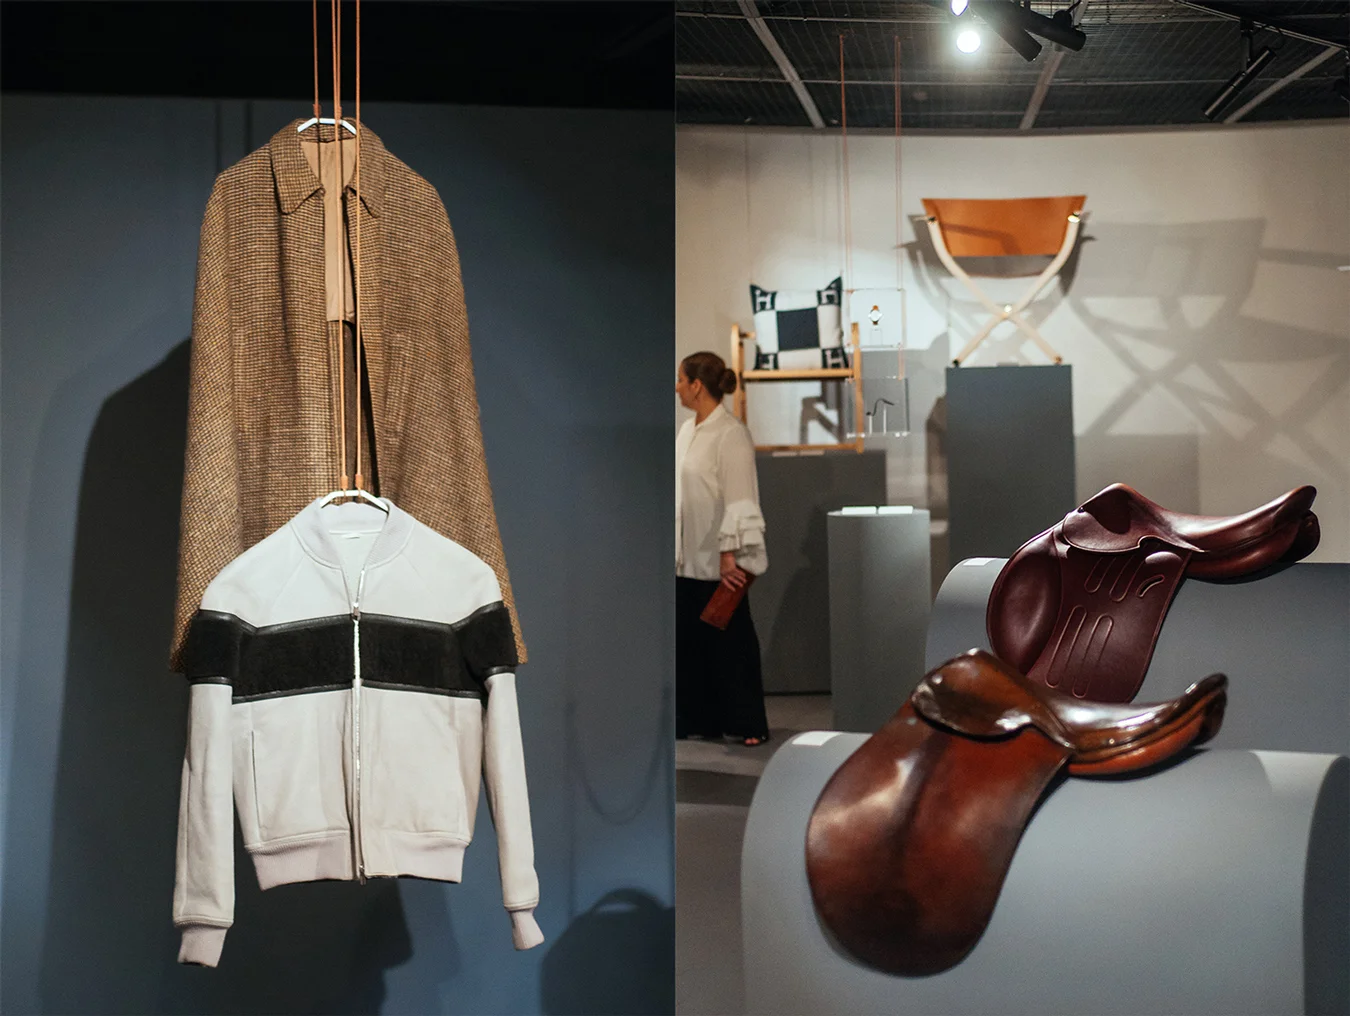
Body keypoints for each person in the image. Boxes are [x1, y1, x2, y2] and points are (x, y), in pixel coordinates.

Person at [675, 351, 771, 747]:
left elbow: (739, 496)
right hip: (687, 555)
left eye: (681, 379)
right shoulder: (687, 430)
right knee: (691, 641)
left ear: (697, 385)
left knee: (731, 640)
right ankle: (700, 719)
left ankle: (748, 722)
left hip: (719, 558)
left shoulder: (731, 433)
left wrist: (730, 552)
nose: (677, 386)